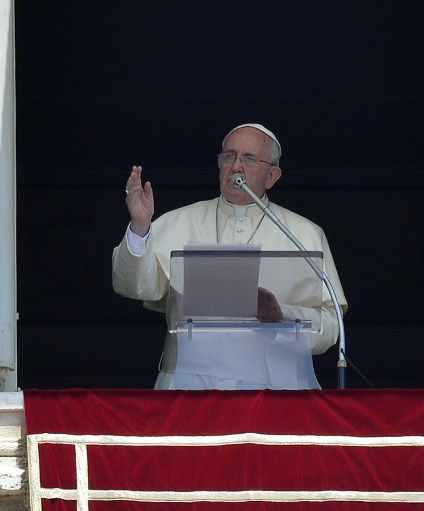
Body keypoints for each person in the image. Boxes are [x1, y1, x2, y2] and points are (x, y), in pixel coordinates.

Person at [112, 123, 347, 390]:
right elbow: (132, 286)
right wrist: (140, 227)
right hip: (189, 385)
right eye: (229, 156)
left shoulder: (303, 232)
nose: (236, 166)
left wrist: (282, 316)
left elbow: (331, 327)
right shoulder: (180, 221)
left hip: (277, 388)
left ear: (272, 176)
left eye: (249, 159)